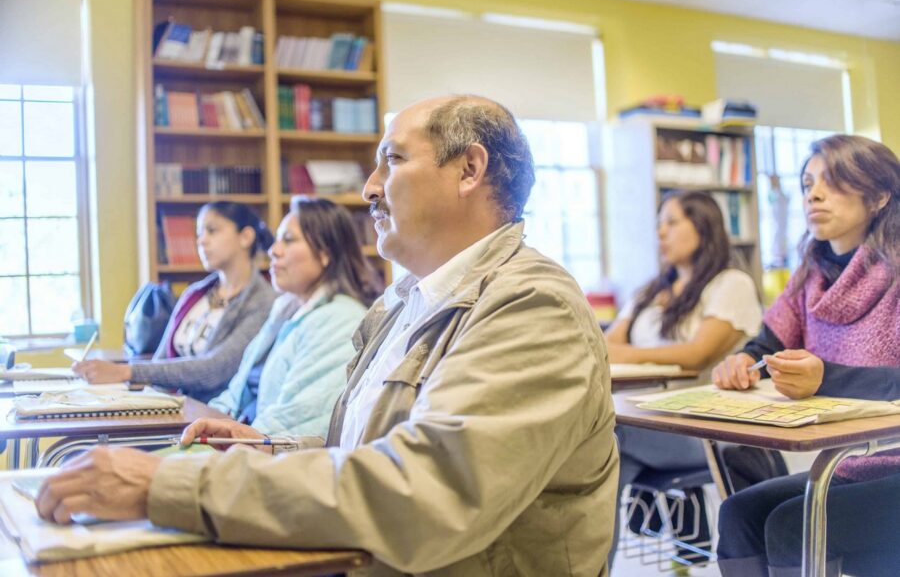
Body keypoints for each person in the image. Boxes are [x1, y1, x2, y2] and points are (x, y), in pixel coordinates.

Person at [36, 95, 619, 577]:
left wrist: (173, 483)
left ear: (470, 169)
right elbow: (371, 449)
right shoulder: (407, 300)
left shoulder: (533, 304)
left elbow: (426, 491)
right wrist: (269, 450)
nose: (369, 188)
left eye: (391, 161)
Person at [712, 134, 900, 577]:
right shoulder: (810, 276)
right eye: (807, 182)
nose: (812, 194)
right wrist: (742, 361)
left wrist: (825, 378)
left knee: (790, 524)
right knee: (737, 513)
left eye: (832, 182)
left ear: (877, 196)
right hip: (852, 464)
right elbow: (765, 344)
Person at [604, 191, 762, 566]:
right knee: (604, 454)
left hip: (706, 430)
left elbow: (696, 355)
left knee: (608, 435)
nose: (661, 232)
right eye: (659, 223)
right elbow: (607, 344)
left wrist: (628, 355)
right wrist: (623, 352)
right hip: (647, 422)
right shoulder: (651, 290)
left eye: (672, 222)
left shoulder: (730, 284)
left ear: (703, 226)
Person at [207, 197, 380, 436]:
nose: (273, 250)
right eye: (277, 240)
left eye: (288, 240)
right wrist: (208, 424)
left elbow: (299, 420)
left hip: (270, 455)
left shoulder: (341, 320)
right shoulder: (286, 310)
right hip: (247, 442)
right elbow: (235, 393)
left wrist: (229, 441)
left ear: (325, 253)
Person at [72, 202, 276, 402]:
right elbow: (161, 361)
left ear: (246, 237)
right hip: (173, 407)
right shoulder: (194, 294)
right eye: (199, 233)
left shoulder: (264, 302)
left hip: (215, 417)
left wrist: (124, 372)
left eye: (212, 231)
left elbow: (214, 370)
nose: (201, 241)